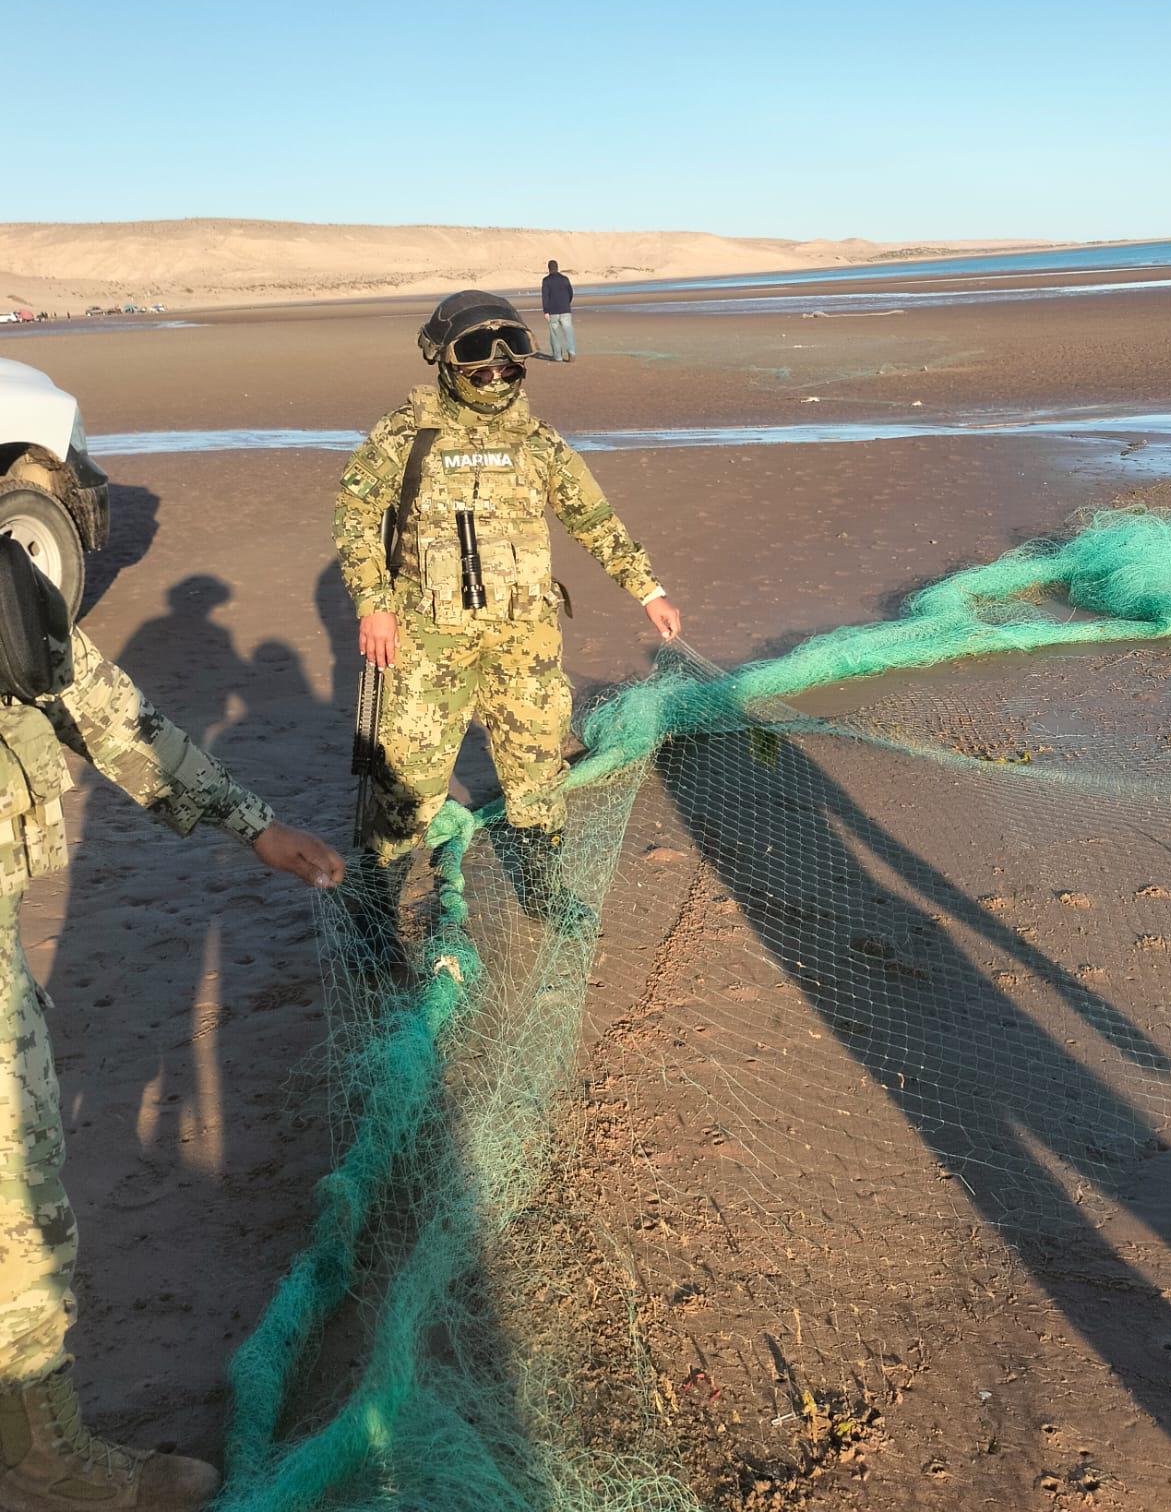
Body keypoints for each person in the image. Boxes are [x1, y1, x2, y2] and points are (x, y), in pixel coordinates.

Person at [0, 540, 344, 1511]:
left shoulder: (3, 585)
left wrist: (251, 824)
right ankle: (39, 1465)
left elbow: (109, 712)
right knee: (21, 1221)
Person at [332, 291, 679, 914]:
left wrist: (647, 590)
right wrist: (373, 603)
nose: (496, 369)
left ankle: (544, 889)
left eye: (512, 353)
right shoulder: (405, 435)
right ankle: (377, 908)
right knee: (407, 779)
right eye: (476, 354)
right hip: (427, 640)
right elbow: (354, 516)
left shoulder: (537, 443)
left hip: (525, 638)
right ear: (441, 357)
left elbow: (593, 518)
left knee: (538, 766)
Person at [540, 259, 576, 362]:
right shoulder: (565, 279)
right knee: (568, 332)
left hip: (553, 311)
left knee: (555, 334)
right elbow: (570, 292)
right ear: (557, 267)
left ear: (549, 268)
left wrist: (546, 311)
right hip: (565, 309)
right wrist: (567, 303)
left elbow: (545, 296)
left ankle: (558, 356)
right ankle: (572, 352)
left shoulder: (546, 280)